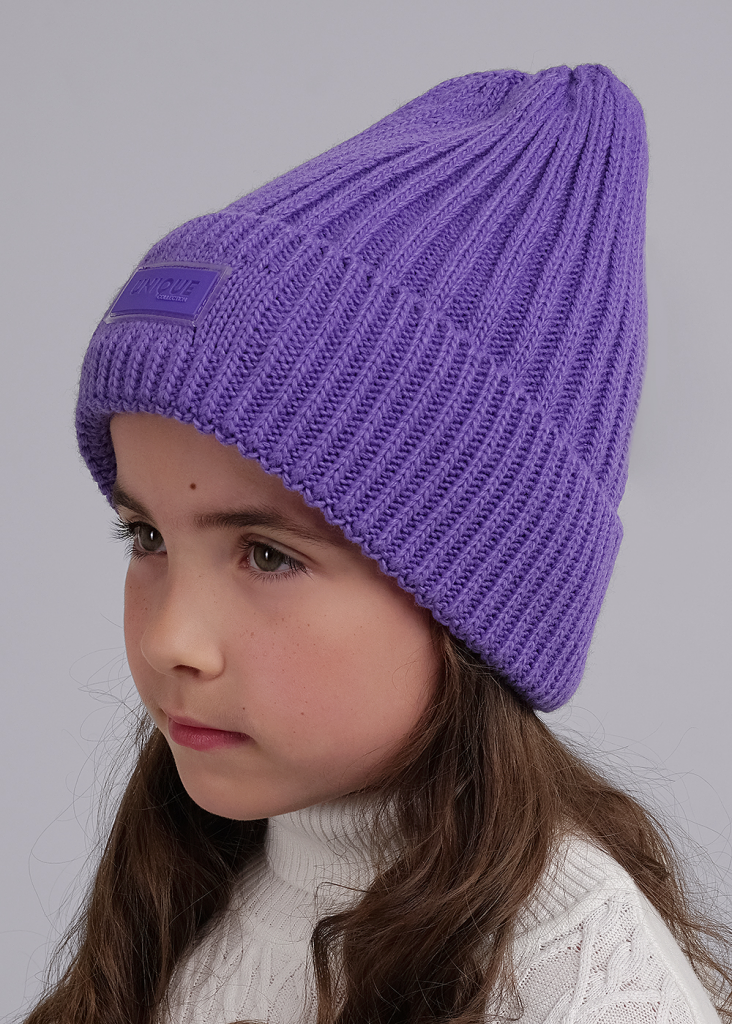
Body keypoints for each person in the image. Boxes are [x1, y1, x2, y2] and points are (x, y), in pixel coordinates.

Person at [25, 64, 730, 1024]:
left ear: (477, 598)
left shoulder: (578, 985)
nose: (169, 640)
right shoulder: (186, 900)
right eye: (145, 534)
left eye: (267, 554)